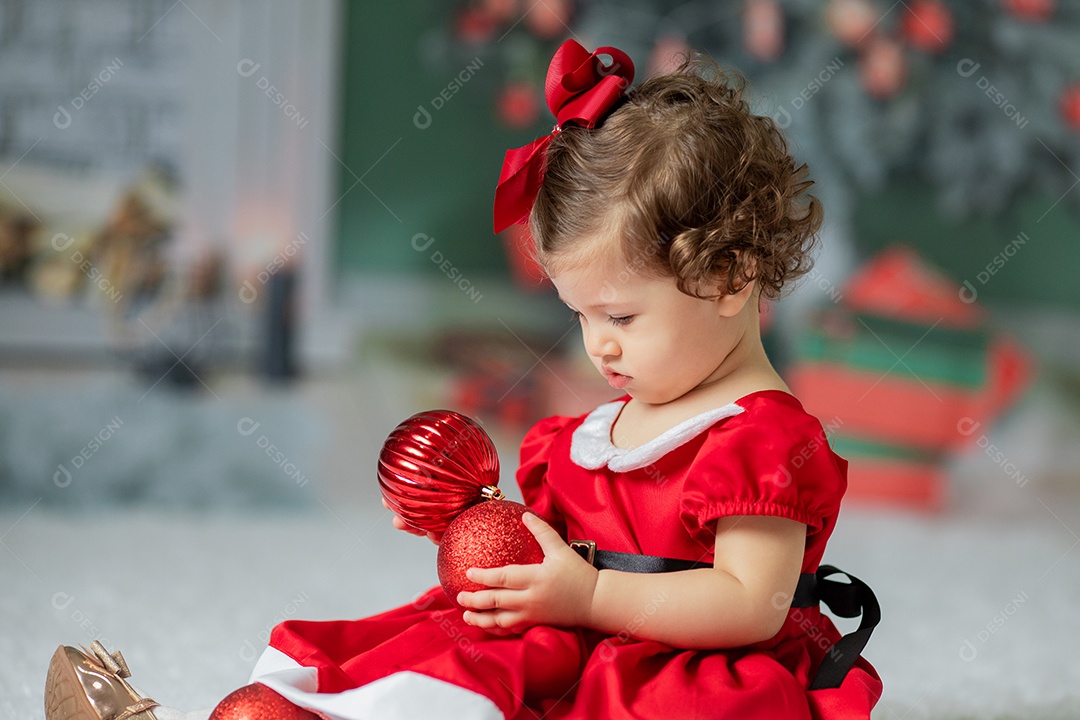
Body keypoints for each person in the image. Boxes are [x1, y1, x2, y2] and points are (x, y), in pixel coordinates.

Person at [45, 40, 881, 720]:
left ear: (731, 278)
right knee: (438, 654)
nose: (599, 349)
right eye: (579, 316)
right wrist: (470, 525)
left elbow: (750, 604)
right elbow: (558, 535)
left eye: (621, 318)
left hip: (682, 675)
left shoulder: (765, 438)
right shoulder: (620, 417)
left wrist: (588, 595)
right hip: (573, 633)